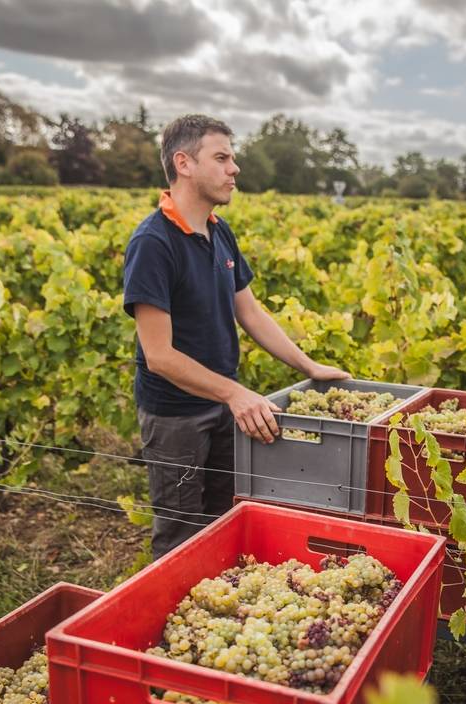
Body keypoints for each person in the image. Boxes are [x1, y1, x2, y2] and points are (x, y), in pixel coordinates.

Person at [123, 114, 349, 559]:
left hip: (224, 406)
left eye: (233, 158)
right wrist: (235, 394)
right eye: (222, 157)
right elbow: (159, 356)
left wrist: (308, 366)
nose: (235, 169)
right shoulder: (153, 242)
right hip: (177, 417)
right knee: (180, 535)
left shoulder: (219, 231)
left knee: (225, 518)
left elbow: (249, 310)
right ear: (184, 163)